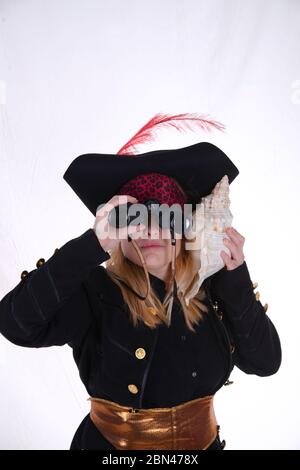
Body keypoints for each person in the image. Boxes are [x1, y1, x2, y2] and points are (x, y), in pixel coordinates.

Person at [0, 123, 282, 450]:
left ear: (185, 227)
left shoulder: (212, 290)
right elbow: (14, 323)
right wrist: (90, 245)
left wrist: (236, 279)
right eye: (133, 218)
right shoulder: (96, 291)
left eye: (165, 217)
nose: (149, 231)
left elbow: (266, 362)